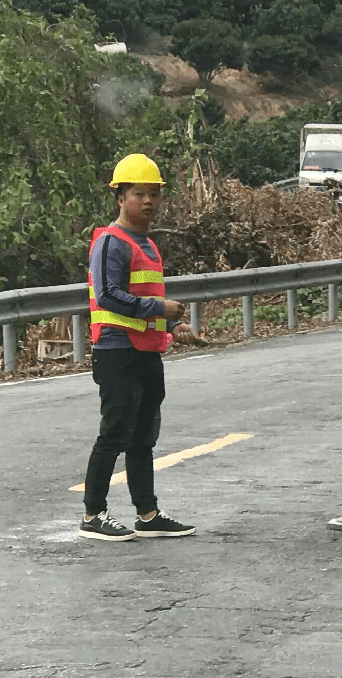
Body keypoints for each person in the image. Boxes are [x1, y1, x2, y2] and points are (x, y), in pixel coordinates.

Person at [81, 153, 202, 542]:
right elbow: (109, 296)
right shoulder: (110, 242)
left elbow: (143, 295)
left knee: (142, 438)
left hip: (147, 350)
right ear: (120, 197)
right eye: (139, 194)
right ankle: (93, 514)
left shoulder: (146, 243)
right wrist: (158, 308)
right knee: (114, 434)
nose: (148, 202)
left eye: (154, 194)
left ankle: (147, 514)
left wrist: (173, 323)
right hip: (117, 351)